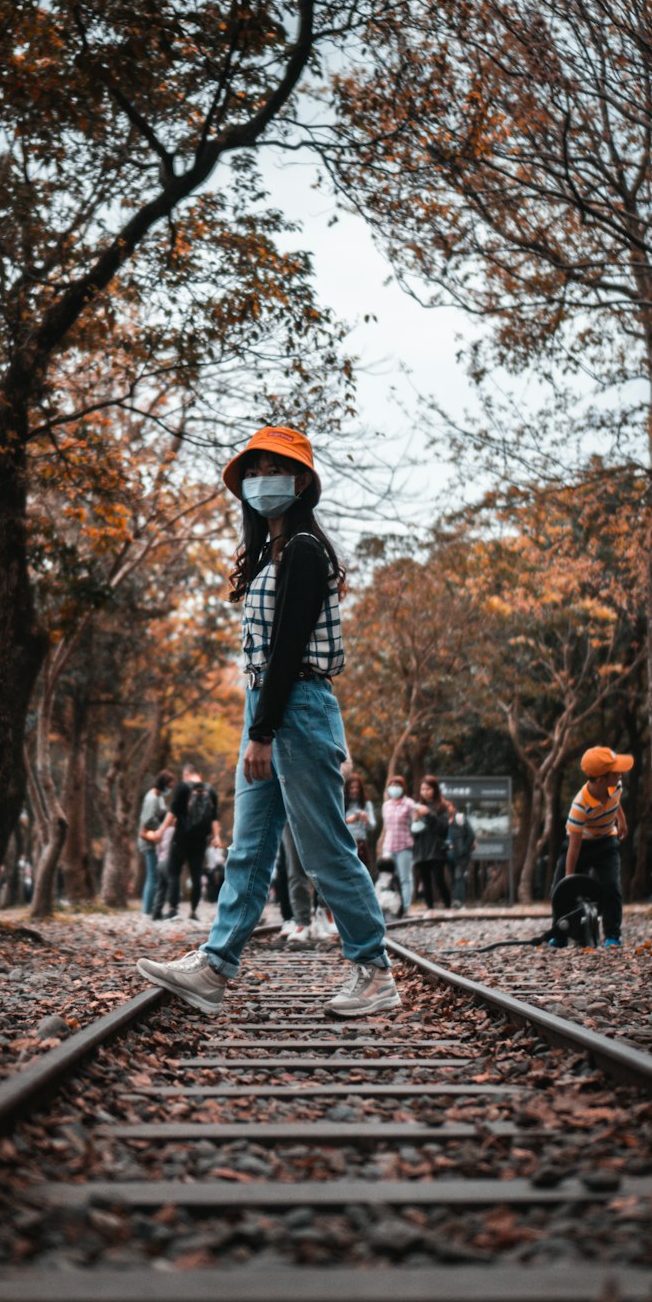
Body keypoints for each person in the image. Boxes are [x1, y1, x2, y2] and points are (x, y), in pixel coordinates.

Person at [137, 424, 397, 1017]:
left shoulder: (305, 550)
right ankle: (215, 966)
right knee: (250, 849)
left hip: (297, 706)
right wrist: (256, 720)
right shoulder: (271, 554)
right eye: (250, 473)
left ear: (301, 481)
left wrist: (262, 731)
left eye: (270, 470)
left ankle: (374, 970)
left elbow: (287, 649)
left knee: (325, 847)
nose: (259, 482)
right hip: (270, 704)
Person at [551, 745, 631, 947]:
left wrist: (621, 821)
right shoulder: (579, 805)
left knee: (611, 886)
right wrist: (569, 879)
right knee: (560, 888)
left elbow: (616, 801)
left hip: (606, 843)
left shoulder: (615, 786)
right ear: (601, 779)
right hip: (582, 845)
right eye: (615, 771)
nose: (620, 774)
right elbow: (574, 846)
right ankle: (560, 934)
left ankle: (613, 935)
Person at [153, 763, 221, 921]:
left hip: (181, 838)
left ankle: (173, 909)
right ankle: (193, 911)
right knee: (196, 875)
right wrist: (216, 837)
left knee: (174, 872)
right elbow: (214, 818)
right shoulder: (211, 791)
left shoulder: (183, 787)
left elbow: (173, 812)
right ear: (199, 775)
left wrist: (161, 830)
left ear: (186, 774)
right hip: (200, 840)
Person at [137, 769, 174, 916]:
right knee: (153, 875)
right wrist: (162, 829)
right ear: (163, 784)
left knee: (155, 875)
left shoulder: (159, 798)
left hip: (156, 842)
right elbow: (148, 820)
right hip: (149, 841)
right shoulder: (151, 798)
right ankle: (148, 910)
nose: (170, 788)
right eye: (169, 785)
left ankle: (152, 908)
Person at [412, 775, 451, 910]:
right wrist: (415, 821)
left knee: (439, 879)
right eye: (423, 789)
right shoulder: (417, 806)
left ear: (435, 789)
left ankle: (448, 904)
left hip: (437, 849)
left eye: (428, 789)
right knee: (425, 880)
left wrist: (429, 814)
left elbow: (443, 828)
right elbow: (413, 832)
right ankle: (430, 908)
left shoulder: (441, 807)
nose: (425, 792)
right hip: (421, 850)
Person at [380, 774, 416, 915]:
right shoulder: (386, 805)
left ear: (403, 788)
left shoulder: (409, 803)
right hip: (388, 846)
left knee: (404, 878)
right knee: (386, 877)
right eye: (392, 785)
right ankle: (388, 906)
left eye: (398, 785)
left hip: (404, 845)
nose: (395, 788)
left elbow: (415, 823)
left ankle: (405, 907)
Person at [344, 772, 377, 873]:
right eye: (351, 788)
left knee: (363, 872)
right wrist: (351, 819)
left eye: (357, 787)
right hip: (346, 844)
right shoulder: (342, 804)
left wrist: (365, 819)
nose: (354, 790)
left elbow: (372, 826)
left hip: (361, 844)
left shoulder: (366, 804)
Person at [448, 808, 477, 909]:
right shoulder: (443, 819)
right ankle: (453, 900)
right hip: (448, 855)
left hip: (461, 855)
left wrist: (464, 848)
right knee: (453, 878)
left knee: (459, 877)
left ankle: (458, 900)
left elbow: (471, 835)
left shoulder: (460, 818)